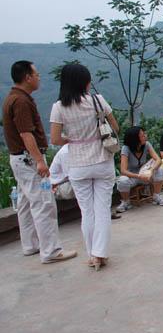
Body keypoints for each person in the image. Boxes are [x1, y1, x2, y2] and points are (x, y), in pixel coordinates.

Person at [2, 60, 77, 264]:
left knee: (26, 203)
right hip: (29, 161)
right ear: (27, 77)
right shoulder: (21, 101)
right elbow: (26, 134)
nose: (38, 77)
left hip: (19, 160)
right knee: (44, 203)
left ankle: (30, 244)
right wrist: (39, 161)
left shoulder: (12, 98)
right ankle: (51, 251)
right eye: (36, 74)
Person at [50, 63, 118, 270]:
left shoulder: (59, 107)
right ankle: (100, 254)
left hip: (78, 165)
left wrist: (74, 139)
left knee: (87, 212)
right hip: (103, 160)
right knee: (102, 210)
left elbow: (55, 139)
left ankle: (92, 255)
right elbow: (115, 127)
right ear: (85, 82)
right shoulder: (98, 100)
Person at [48, 144, 121, 220]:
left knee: (97, 181)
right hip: (58, 186)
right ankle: (98, 214)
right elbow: (72, 175)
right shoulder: (66, 152)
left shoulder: (80, 147)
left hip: (70, 181)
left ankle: (102, 212)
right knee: (89, 184)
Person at [116, 126, 163, 212]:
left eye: (144, 134)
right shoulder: (126, 148)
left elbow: (158, 160)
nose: (145, 136)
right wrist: (139, 176)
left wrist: (151, 171)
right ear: (135, 139)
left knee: (160, 169)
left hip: (145, 174)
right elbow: (123, 171)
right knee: (122, 180)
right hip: (132, 176)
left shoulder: (146, 144)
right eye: (142, 135)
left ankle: (156, 196)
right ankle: (126, 202)